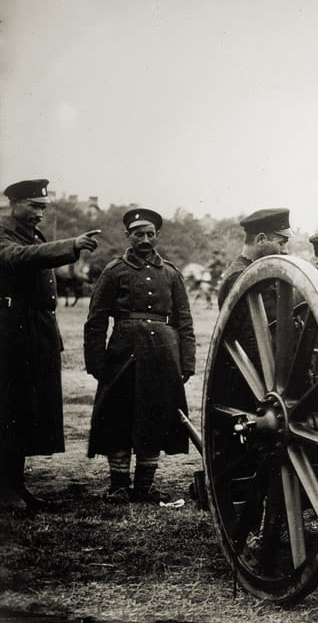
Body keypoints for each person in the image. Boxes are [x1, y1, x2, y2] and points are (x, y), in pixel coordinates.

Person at [0, 179, 100, 510]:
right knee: (10, 410)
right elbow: (19, 257)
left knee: (28, 410)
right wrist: (70, 245)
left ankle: (17, 486)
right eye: (34, 206)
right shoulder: (4, 232)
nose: (41, 213)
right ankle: (6, 489)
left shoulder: (32, 233)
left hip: (36, 330)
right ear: (14, 204)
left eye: (43, 207)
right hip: (12, 332)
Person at [84, 209, 195, 503]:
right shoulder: (114, 271)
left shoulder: (171, 273)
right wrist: (95, 362)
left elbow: (184, 320)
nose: (145, 240)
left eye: (150, 234)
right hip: (123, 354)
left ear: (157, 235)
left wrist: (187, 361)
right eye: (138, 234)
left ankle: (145, 486)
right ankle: (119, 485)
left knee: (156, 416)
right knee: (118, 415)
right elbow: (96, 320)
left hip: (163, 356)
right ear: (128, 236)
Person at [217, 208, 292, 308]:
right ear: (261, 240)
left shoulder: (253, 272)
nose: (285, 251)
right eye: (281, 243)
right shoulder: (241, 278)